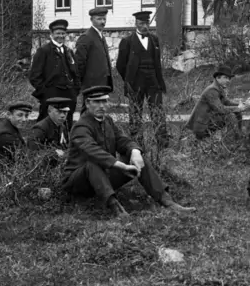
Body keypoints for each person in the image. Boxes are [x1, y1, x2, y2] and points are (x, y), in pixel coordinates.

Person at [62, 85, 194, 216]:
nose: (102, 106)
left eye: (104, 101)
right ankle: (117, 209)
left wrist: (135, 152)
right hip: (78, 183)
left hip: (102, 179)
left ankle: (167, 202)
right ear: (87, 103)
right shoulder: (81, 126)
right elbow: (92, 151)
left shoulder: (107, 121)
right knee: (93, 164)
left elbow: (122, 141)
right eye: (97, 102)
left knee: (138, 159)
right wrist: (121, 166)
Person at [116, 11, 169, 146]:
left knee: (158, 112)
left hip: (153, 82)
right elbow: (120, 65)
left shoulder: (154, 39)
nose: (144, 26)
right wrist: (129, 80)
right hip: (135, 83)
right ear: (136, 24)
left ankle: (162, 143)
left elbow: (157, 62)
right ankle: (136, 144)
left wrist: (159, 82)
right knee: (135, 114)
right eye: (141, 23)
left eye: (146, 23)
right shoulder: (127, 41)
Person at [29, 19, 79, 129]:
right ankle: (43, 146)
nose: (60, 36)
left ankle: (65, 144)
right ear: (51, 34)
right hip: (51, 95)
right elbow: (34, 76)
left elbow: (76, 72)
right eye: (57, 33)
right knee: (46, 124)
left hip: (69, 95)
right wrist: (45, 92)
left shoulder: (69, 51)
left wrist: (75, 90)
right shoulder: (44, 51)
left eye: (63, 33)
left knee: (67, 124)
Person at [186, 66, 245, 141]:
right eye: (225, 77)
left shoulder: (218, 88)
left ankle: (238, 135)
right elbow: (220, 109)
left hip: (208, 122)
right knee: (231, 116)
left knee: (237, 112)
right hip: (201, 126)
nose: (228, 80)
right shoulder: (212, 90)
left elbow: (227, 102)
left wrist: (242, 105)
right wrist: (238, 108)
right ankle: (232, 141)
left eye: (229, 78)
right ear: (218, 78)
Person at [74, 7, 113, 110]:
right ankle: (82, 126)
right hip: (91, 85)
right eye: (99, 19)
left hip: (102, 83)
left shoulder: (101, 37)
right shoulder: (86, 37)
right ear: (91, 20)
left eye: (104, 19)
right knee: (88, 111)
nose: (102, 22)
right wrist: (82, 83)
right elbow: (79, 63)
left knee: (99, 111)